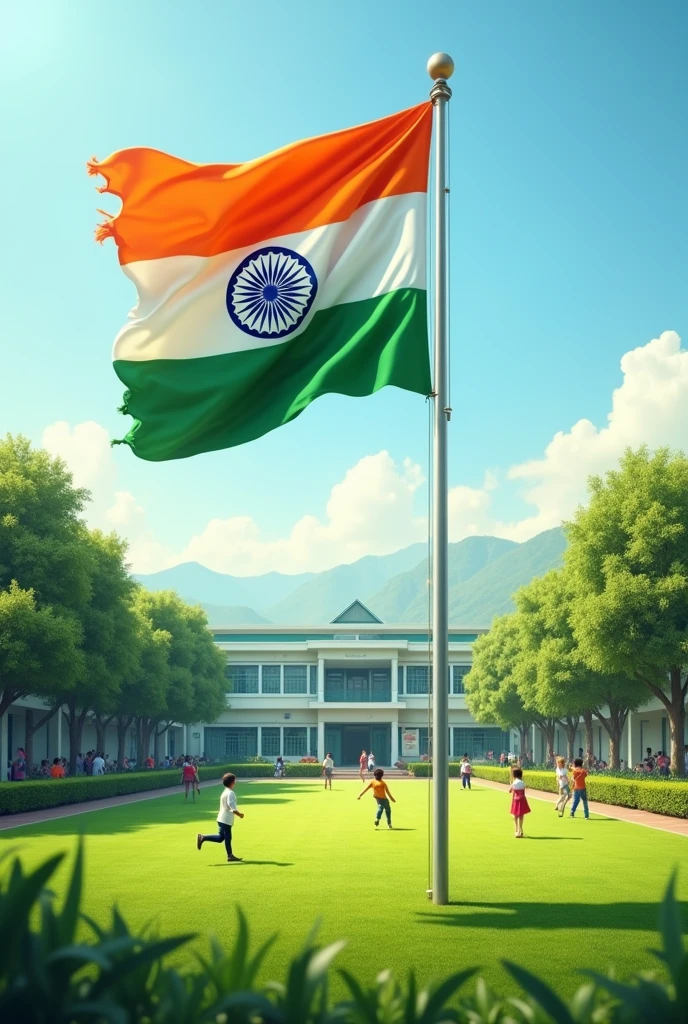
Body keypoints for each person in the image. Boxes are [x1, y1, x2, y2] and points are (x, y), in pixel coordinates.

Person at [197, 772, 244, 862]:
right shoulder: (230, 793)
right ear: (232, 782)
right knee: (227, 838)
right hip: (226, 819)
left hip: (221, 818)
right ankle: (230, 855)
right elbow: (231, 806)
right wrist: (239, 814)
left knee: (220, 838)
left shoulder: (225, 792)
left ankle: (203, 837)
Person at [509, 767, 530, 838]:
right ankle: (521, 829)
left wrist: (511, 783)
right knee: (521, 815)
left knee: (515, 815)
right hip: (523, 800)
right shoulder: (522, 782)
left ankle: (516, 830)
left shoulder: (514, 782)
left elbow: (510, 791)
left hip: (516, 800)